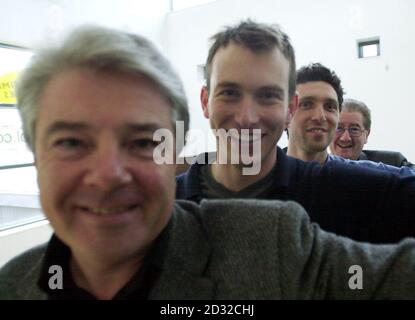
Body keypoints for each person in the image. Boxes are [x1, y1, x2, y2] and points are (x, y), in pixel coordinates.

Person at [4, 25, 415, 300]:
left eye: (142, 141)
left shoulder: (269, 237)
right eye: (72, 142)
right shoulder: (13, 284)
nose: (108, 174)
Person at [176, 20, 415, 244]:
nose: (247, 117)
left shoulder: (344, 192)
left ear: (289, 108)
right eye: (229, 93)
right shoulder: (163, 206)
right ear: (205, 101)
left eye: (268, 96)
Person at [285, 64, 414, 176]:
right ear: (285, 114)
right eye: (306, 104)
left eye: (330, 106)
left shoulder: (369, 177)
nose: (320, 116)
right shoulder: (266, 175)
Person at [330, 98, 414, 168]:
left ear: (367, 134)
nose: (345, 138)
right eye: (338, 128)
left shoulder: (393, 163)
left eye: (354, 129)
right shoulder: (317, 169)